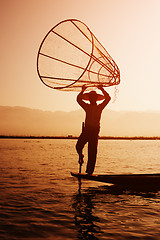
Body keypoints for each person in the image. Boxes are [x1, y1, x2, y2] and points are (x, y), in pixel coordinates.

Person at [76, 85, 111, 174]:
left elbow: (108, 99)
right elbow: (78, 100)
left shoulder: (100, 107)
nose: (92, 99)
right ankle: (81, 155)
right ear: (89, 99)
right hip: (87, 130)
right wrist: (82, 91)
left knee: (92, 151)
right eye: (91, 97)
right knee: (78, 146)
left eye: (94, 97)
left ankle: (89, 171)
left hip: (94, 131)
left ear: (95, 99)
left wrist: (102, 89)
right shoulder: (87, 107)